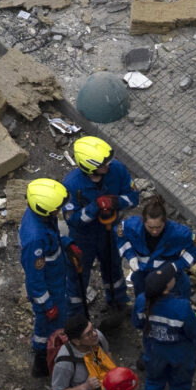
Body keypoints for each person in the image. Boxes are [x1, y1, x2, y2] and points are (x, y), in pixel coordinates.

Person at [64, 135, 139, 326]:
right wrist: (94, 208)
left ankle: (118, 303)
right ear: (89, 166)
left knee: (114, 269)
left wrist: (116, 202)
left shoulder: (118, 170)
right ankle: (78, 319)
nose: (109, 165)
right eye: (103, 163)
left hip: (110, 231)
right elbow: (72, 219)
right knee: (78, 276)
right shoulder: (72, 184)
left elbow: (133, 198)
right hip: (84, 238)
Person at [19, 178, 81, 378]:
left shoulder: (42, 216)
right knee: (46, 328)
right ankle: (41, 363)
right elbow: (34, 279)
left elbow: (53, 237)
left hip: (55, 281)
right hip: (49, 291)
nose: (59, 212)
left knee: (54, 324)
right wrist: (47, 305)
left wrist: (67, 243)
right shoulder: (35, 238)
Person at [137, 267, 196, 390]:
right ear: (167, 287)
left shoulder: (141, 301)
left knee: (153, 384)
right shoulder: (181, 307)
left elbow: (137, 324)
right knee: (180, 386)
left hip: (154, 352)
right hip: (180, 355)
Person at [117, 194, 196, 321]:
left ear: (165, 222)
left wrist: (177, 265)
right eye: (150, 227)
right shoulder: (131, 226)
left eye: (158, 227)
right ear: (143, 221)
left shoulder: (178, 233)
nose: (155, 231)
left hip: (169, 276)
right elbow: (118, 234)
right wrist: (130, 256)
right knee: (144, 300)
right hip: (143, 274)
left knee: (178, 302)